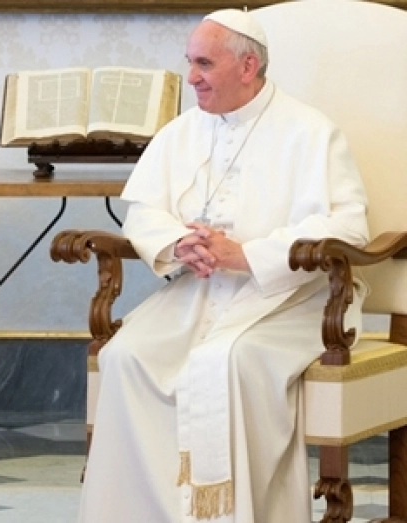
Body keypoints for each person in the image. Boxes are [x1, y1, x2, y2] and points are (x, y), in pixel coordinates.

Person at [78, 9, 369, 523]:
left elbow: (350, 229)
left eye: (204, 64)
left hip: (291, 301)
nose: (191, 77)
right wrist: (177, 243)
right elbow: (144, 212)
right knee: (127, 357)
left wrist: (249, 255)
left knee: (231, 360)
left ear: (248, 65)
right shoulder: (181, 132)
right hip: (197, 295)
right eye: (189, 62)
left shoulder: (311, 132)